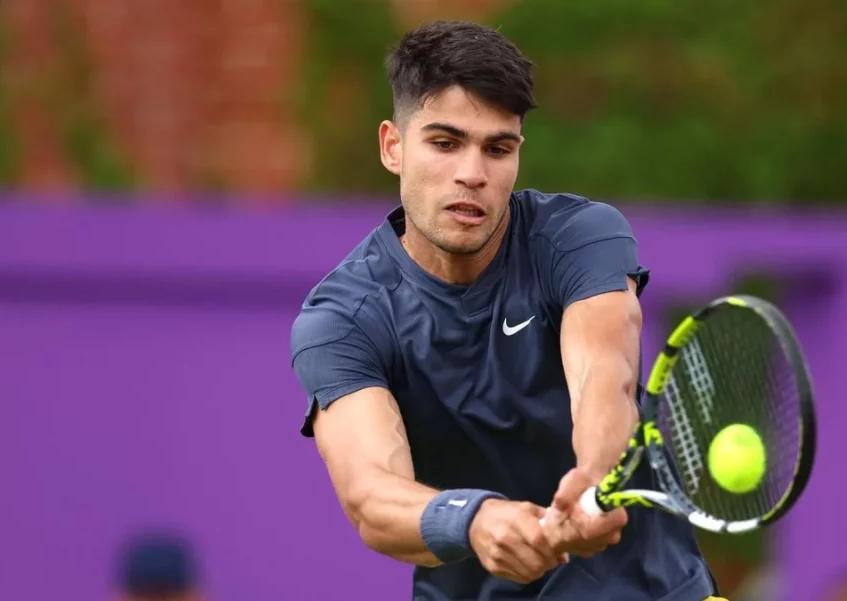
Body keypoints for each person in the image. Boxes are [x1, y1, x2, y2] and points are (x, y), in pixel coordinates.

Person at [290, 19, 722, 601]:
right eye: (445, 143)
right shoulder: (343, 318)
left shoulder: (578, 236)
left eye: (497, 149)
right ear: (393, 147)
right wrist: (474, 520)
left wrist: (593, 477)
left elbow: (605, 376)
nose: (473, 174)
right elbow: (371, 495)